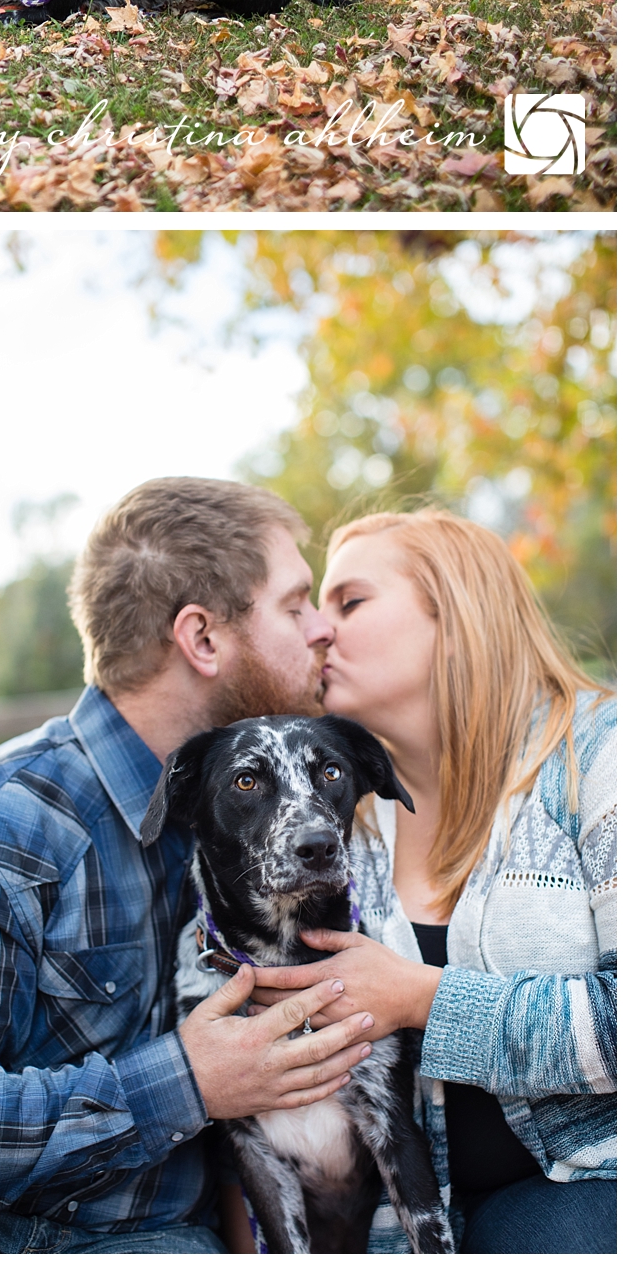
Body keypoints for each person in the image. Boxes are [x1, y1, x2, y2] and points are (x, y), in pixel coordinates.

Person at [0, 478, 381, 1254]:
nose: (322, 630)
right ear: (202, 639)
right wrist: (184, 1084)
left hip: (178, 1233)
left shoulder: (294, 804)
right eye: (296, 603)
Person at [241, 509, 616, 1255]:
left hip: (594, 1182)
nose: (319, 628)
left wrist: (420, 1000)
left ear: (456, 612)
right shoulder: (340, 825)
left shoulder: (600, 762)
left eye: (351, 602)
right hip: (407, 1222)